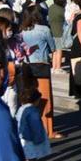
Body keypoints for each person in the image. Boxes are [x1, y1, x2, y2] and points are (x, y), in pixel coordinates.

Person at [19, 8, 61, 140]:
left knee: (29, 97)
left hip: (27, 65)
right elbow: (52, 47)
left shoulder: (22, 31)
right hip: (41, 65)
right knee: (45, 99)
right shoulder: (44, 29)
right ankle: (47, 130)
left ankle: (30, 127)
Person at [16, 68, 50, 161]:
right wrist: (39, 140)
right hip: (30, 140)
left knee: (24, 160)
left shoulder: (21, 109)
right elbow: (36, 128)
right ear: (35, 100)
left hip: (21, 138)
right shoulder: (33, 112)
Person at [48, 0, 67, 70]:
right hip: (59, 31)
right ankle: (58, 67)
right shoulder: (62, 10)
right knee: (59, 50)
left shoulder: (51, 7)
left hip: (52, 30)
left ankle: (54, 66)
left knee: (54, 51)